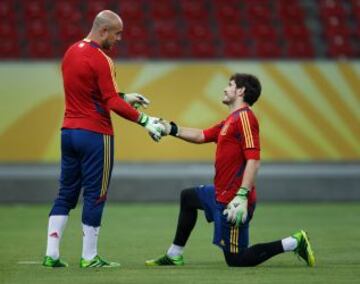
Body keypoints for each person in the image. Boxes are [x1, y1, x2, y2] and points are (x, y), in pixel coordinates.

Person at [145, 73, 315, 267]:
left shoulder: (245, 119)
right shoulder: (231, 119)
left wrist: (242, 196)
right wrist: (171, 129)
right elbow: (201, 135)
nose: (225, 88)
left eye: (230, 85)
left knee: (237, 259)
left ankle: (294, 242)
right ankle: (174, 254)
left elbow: (254, 161)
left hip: (233, 201)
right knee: (189, 197)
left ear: (241, 91)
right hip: (220, 194)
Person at [42, 10, 165, 268]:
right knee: (96, 195)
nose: (119, 39)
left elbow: (90, 92)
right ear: (104, 30)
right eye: (117, 33)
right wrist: (146, 121)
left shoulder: (71, 51)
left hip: (68, 132)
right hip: (96, 135)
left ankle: (51, 254)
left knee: (66, 194)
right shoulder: (102, 59)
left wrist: (123, 95)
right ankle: (89, 257)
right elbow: (109, 101)